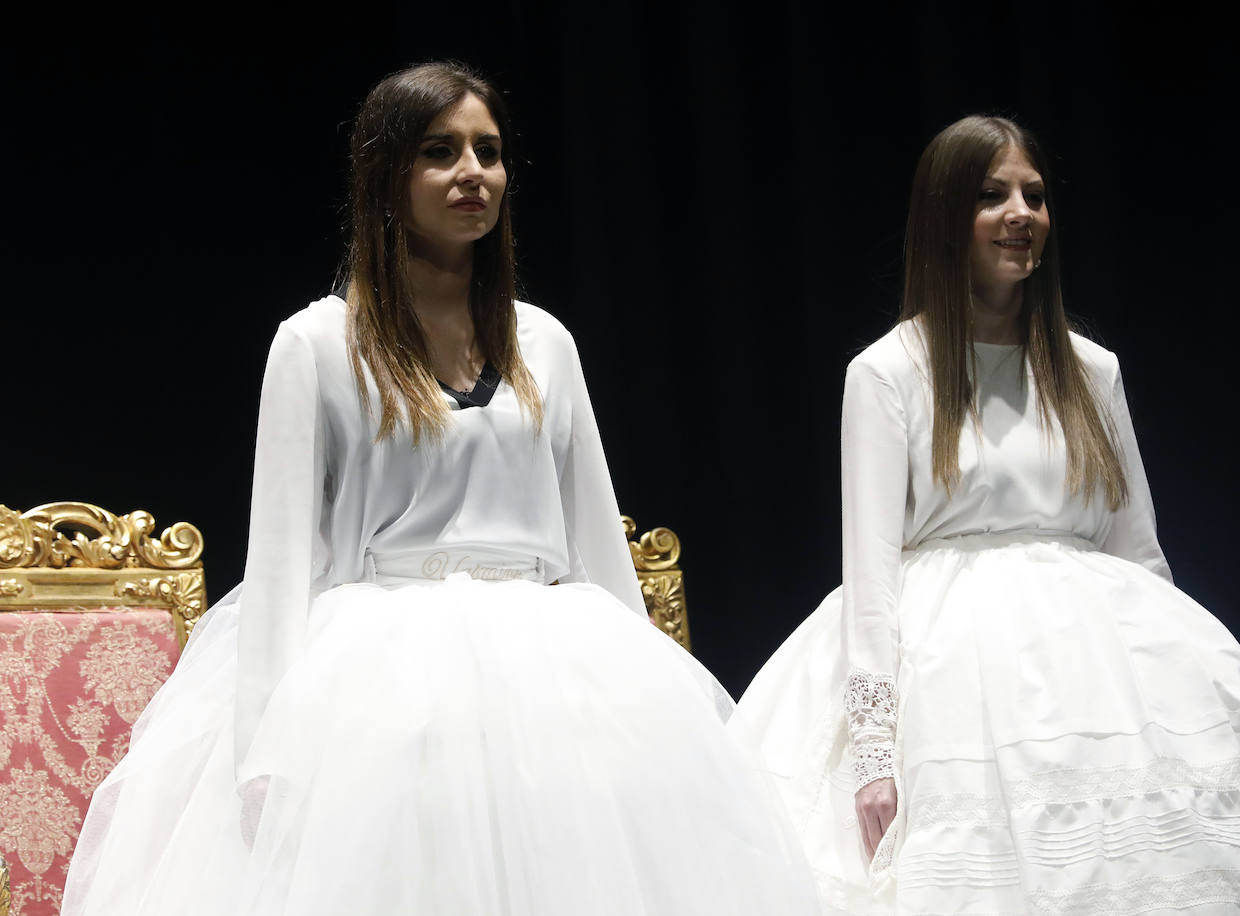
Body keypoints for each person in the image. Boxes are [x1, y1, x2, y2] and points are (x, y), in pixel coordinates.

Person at [61, 61, 820, 916]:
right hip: (381, 680)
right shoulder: (317, 344)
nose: (473, 173)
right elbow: (277, 567)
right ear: (388, 175)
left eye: (488, 152)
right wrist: (260, 753)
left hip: (554, 672)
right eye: (440, 151)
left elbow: (598, 545)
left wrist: (655, 717)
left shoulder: (546, 343)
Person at [729, 115, 1240, 915]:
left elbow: (1141, 557)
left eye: (1034, 195)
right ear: (944, 216)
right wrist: (872, 753)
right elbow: (871, 577)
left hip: (1090, 670)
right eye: (992, 195)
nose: (1020, 213)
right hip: (948, 681)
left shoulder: (1092, 372)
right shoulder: (888, 372)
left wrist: (1183, 702)